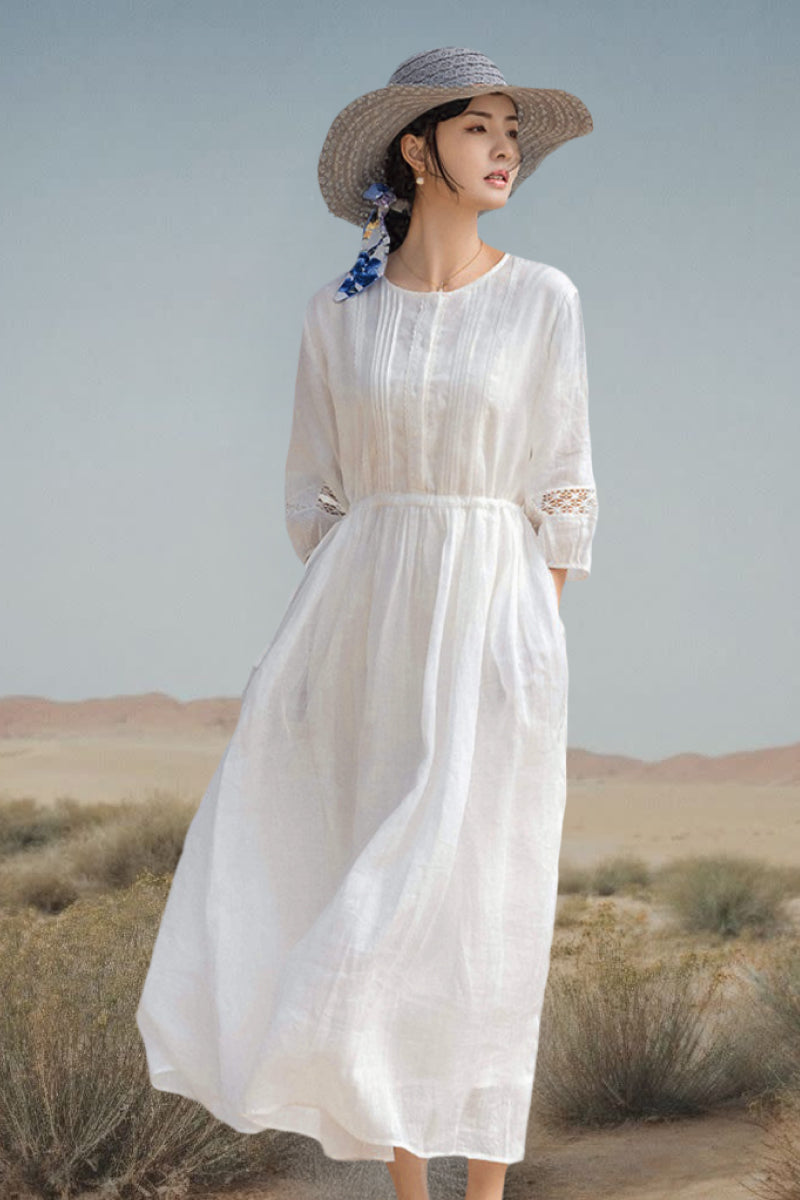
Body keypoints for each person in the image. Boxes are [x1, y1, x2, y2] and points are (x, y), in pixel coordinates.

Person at [136, 46, 599, 1200]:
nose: (505, 150)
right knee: (365, 892)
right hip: (360, 631)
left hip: (496, 623)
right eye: (480, 128)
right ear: (415, 148)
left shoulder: (541, 298)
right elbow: (314, 497)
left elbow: (563, 483)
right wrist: (362, 611)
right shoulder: (333, 318)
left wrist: (524, 638)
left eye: (511, 132)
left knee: (481, 901)